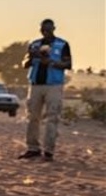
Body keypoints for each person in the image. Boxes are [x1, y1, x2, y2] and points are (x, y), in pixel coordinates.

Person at [18, 19, 72, 162]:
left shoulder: (62, 45)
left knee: (52, 117)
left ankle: (49, 151)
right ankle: (32, 148)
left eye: (48, 29)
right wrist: (31, 56)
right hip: (35, 84)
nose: (45, 31)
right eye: (43, 29)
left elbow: (68, 63)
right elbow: (24, 64)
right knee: (32, 117)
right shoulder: (35, 44)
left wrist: (52, 62)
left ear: (54, 28)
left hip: (53, 85)